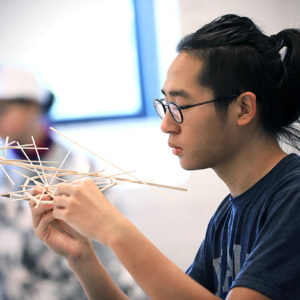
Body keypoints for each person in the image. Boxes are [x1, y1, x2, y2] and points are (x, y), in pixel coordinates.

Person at [29, 14, 300, 300]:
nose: (166, 124)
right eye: (165, 105)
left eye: (179, 105)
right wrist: (82, 257)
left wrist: (114, 228)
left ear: (243, 108)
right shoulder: (227, 215)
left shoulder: (292, 198)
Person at [0, 66, 147, 300]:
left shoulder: (80, 169)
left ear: (33, 107)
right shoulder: (4, 173)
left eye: (4, 109)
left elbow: (112, 245)